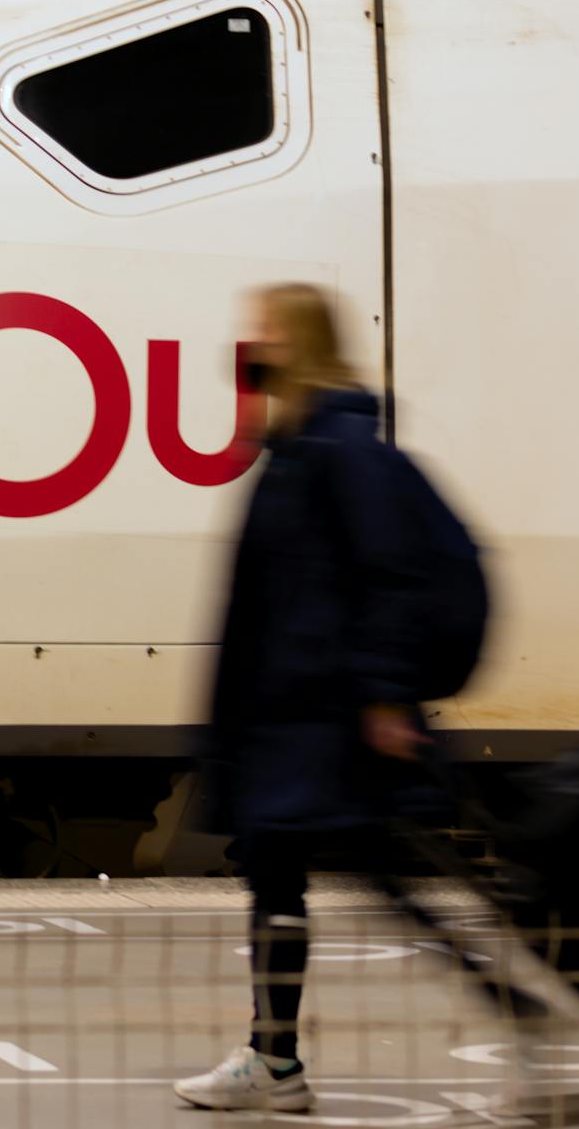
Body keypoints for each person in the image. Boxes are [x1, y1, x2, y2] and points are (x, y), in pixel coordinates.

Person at [177, 283, 435, 1113]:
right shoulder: (294, 443)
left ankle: (518, 1001)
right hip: (286, 715)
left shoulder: (337, 446)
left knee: (377, 878)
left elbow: (388, 576)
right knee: (290, 877)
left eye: (265, 331)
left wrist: (387, 696)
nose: (249, 343)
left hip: (316, 716)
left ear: (300, 342)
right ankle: (275, 1058)